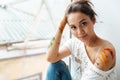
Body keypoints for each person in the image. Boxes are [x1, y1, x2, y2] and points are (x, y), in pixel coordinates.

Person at [46, 0, 117, 80]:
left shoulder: (106, 52)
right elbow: (50, 58)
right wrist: (62, 23)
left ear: (93, 20)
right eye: (73, 27)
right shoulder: (74, 43)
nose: (80, 32)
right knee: (54, 66)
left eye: (83, 23)